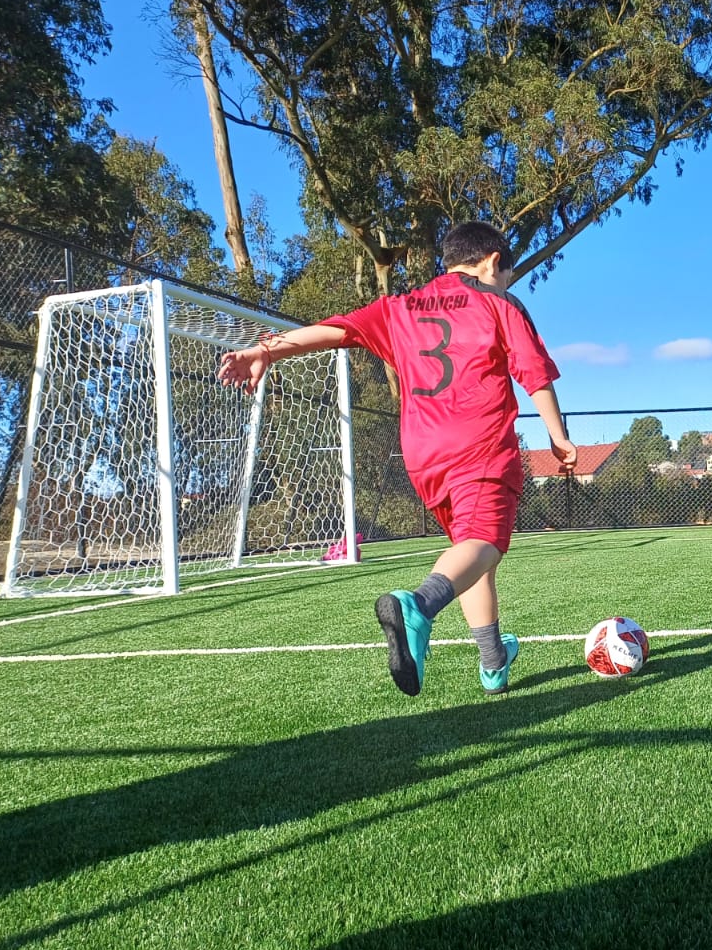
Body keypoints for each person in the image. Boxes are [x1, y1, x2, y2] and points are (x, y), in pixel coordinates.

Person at [216, 221, 576, 699]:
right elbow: (534, 375)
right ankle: (417, 607)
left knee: (468, 553)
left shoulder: (399, 306)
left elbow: (335, 330)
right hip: (481, 443)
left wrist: (266, 351)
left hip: (424, 454)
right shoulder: (499, 303)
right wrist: (559, 436)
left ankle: (493, 662)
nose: (505, 284)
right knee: (485, 542)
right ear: (492, 262)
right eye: (505, 276)